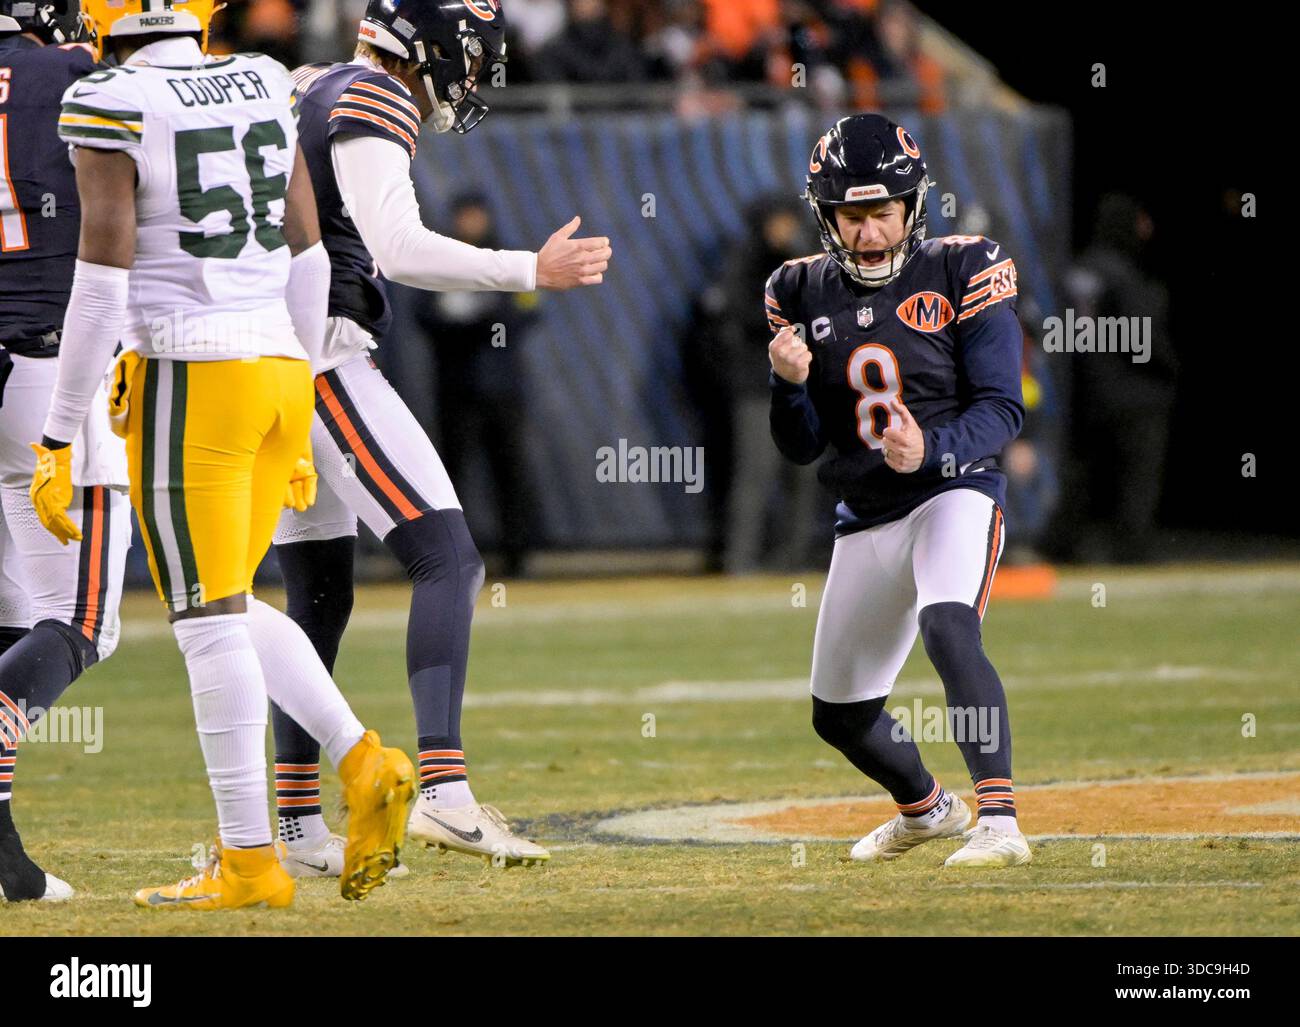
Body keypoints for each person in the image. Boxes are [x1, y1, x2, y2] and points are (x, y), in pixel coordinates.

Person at [32, 0, 414, 909]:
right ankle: (365, 761)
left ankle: (249, 860)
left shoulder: (110, 97)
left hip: (189, 374)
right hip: (280, 369)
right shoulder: (258, 79)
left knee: (205, 623)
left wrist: (57, 431)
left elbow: (99, 287)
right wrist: (299, 382)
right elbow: (309, 250)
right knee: (231, 606)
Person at [269, 0, 611, 875]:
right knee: (449, 559)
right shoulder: (373, 97)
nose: (473, 72)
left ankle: (300, 825)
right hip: (320, 357)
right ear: (431, 47)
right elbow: (400, 246)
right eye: (469, 54)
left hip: (266, 356)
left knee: (318, 593)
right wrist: (525, 269)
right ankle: (447, 793)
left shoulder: (308, 83)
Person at [766, 114, 1030, 867]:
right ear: (827, 216)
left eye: (883, 210)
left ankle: (1000, 819)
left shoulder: (962, 266)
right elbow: (802, 445)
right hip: (867, 510)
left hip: (955, 488)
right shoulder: (794, 288)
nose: (871, 230)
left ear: (914, 207)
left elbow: (1002, 408)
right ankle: (928, 810)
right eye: (853, 213)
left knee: (949, 624)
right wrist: (786, 387)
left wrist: (933, 448)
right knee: (839, 714)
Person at [0, 0, 132, 904]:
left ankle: (4, 855)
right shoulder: (70, 77)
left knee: (16, 613)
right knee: (83, 622)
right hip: (48, 377)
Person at [412, 193, 540, 579]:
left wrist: (486, 321)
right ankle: (454, 556)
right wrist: (470, 325)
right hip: (456, 389)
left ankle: (518, 556)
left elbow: (527, 311)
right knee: (452, 476)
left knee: (510, 470)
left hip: (502, 389)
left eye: (474, 216)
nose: (469, 223)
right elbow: (425, 317)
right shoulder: (441, 259)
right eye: (463, 216)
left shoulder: (507, 257)